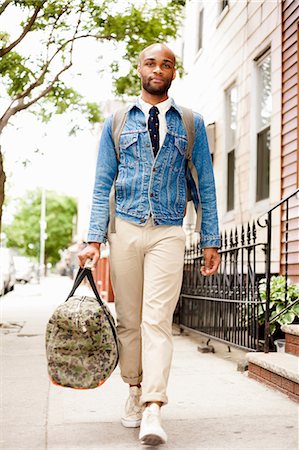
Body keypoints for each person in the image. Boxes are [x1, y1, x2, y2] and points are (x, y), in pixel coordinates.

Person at [78, 43, 220, 446]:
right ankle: (134, 391)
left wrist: (210, 238)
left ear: (175, 72)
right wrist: (93, 238)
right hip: (124, 228)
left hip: (169, 231)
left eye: (167, 64)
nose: (158, 69)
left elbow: (205, 186)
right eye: (151, 62)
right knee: (128, 319)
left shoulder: (191, 122)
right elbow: (103, 181)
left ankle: (154, 407)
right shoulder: (117, 121)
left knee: (157, 320)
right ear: (139, 68)